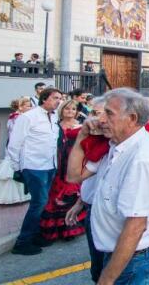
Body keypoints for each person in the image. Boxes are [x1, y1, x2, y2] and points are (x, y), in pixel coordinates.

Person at [66, 88, 149, 285]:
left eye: (109, 113)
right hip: (117, 252)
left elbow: (136, 226)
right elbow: (74, 176)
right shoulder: (114, 144)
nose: (101, 119)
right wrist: (82, 137)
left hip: (134, 260)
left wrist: (107, 279)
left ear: (131, 118)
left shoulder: (141, 159)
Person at [7, 88, 62, 255]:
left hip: (49, 166)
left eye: (60, 98)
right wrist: (17, 167)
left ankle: (36, 235)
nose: (58, 101)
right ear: (44, 99)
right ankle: (22, 242)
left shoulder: (54, 117)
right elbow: (15, 143)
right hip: (33, 166)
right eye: (55, 98)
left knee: (42, 203)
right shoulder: (27, 117)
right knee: (38, 203)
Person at [65, 97, 108, 283]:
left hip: (108, 215)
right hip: (93, 209)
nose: (92, 120)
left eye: (98, 114)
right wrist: (80, 202)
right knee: (98, 266)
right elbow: (78, 177)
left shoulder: (118, 146)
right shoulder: (97, 145)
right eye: (91, 113)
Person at [39, 100, 86, 241]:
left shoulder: (81, 126)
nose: (70, 111)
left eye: (73, 109)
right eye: (67, 109)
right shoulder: (54, 126)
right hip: (57, 162)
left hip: (74, 161)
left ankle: (70, 228)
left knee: (71, 191)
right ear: (62, 110)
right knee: (55, 194)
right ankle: (55, 229)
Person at [0, 97, 32, 205]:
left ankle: (22, 194)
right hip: (17, 147)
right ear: (21, 107)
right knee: (13, 171)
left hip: (17, 145)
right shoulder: (18, 117)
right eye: (28, 106)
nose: (30, 108)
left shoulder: (16, 117)